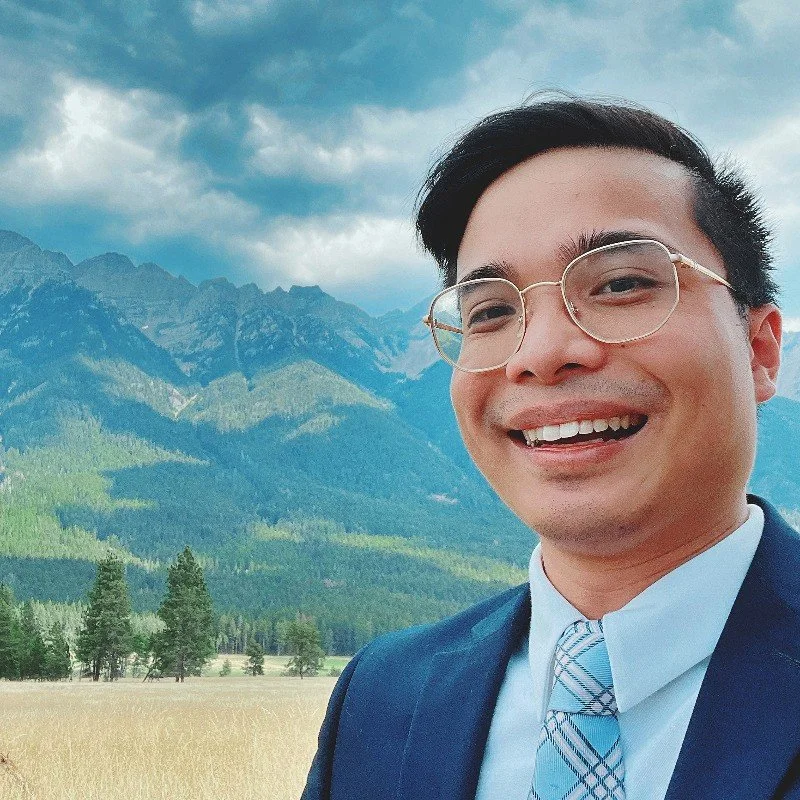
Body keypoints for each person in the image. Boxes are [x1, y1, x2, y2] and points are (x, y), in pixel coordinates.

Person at [301, 97, 800, 800]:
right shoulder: (383, 698)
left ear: (760, 350)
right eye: (491, 312)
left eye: (621, 283)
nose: (539, 354)